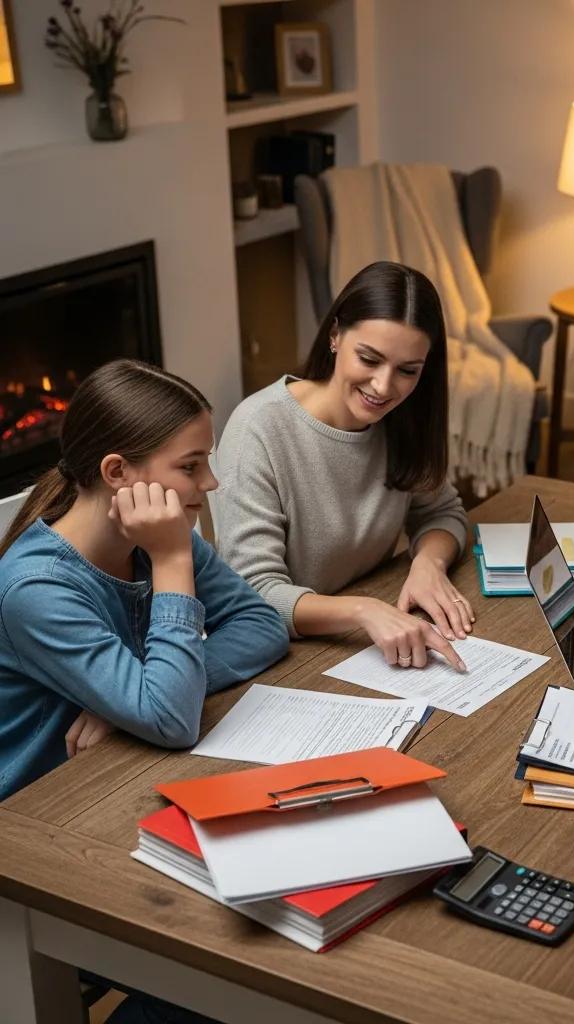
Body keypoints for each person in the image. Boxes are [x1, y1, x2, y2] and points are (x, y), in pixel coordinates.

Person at [0, 359, 289, 1024]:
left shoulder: (153, 537)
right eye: (191, 466)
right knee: (231, 969)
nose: (210, 482)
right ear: (116, 473)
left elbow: (261, 625)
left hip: (123, 783)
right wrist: (171, 567)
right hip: (39, 834)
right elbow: (170, 716)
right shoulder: (39, 587)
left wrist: (136, 692)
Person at [215, 261, 473, 672]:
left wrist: (429, 563)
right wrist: (363, 611)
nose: (383, 386)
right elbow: (255, 593)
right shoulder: (259, 428)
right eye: (369, 359)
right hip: (282, 657)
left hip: (362, 642)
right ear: (335, 335)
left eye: (407, 370)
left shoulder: (404, 419)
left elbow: (442, 511)